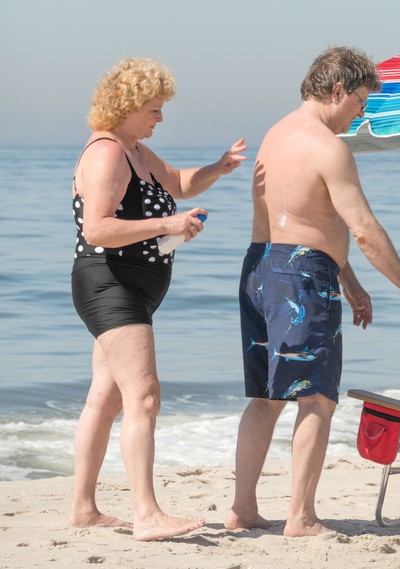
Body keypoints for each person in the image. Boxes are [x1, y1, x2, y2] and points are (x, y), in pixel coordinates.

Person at [224, 46, 400, 537]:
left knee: (265, 397)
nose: (361, 113)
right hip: (301, 277)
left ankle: (242, 510)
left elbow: (306, 219)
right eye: (360, 101)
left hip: (260, 268)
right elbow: (361, 228)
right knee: (316, 398)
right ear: (337, 90)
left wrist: (351, 281)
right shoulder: (327, 147)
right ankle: (301, 518)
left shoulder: (275, 135)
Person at [68, 56, 247, 540]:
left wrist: (219, 167)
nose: (160, 118)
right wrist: (167, 225)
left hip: (131, 287)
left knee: (105, 399)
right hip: (111, 284)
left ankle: (83, 508)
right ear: (126, 105)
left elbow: (182, 183)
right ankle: (146, 515)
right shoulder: (107, 153)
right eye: (154, 108)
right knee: (144, 395)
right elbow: (98, 228)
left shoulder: (136, 151)